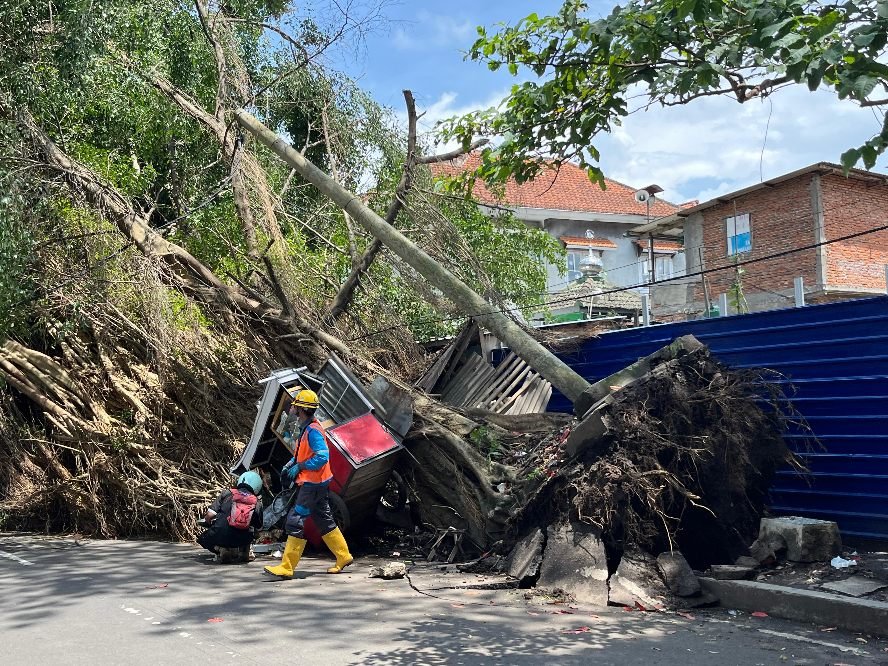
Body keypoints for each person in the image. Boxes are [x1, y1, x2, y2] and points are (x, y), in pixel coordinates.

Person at [264, 389, 353, 578]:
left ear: (301, 409)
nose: (292, 408)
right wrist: (291, 464)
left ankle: (287, 567)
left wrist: (301, 466)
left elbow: (322, 457)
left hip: (312, 484)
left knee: (295, 520)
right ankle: (343, 555)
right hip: (318, 483)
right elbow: (302, 453)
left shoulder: (312, 431)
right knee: (323, 518)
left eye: (295, 405)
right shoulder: (307, 427)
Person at [198, 470, 264, 563]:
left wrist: (209, 522)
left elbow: (209, 515)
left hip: (221, 535)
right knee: (252, 531)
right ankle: (244, 552)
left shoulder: (226, 493)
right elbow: (259, 526)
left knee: (202, 538)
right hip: (243, 539)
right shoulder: (257, 502)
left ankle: (221, 549)